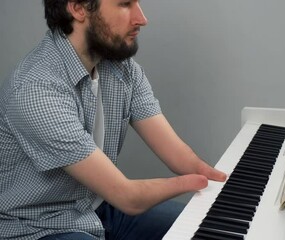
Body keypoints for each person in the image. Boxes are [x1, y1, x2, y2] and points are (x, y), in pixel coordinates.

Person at [0, 0, 227, 239]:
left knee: (208, 229)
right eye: (125, 4)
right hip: (38, 226)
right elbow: (128, 197)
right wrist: (195, 183)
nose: (141, 18)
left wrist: (226, 181)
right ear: (78, 8)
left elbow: (179, 154)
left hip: (100, 206)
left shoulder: (123, 69)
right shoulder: (36, 89)